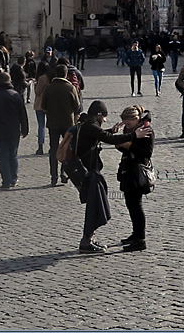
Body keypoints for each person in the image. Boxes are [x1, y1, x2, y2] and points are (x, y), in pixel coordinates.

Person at [73, 101, 115, 253]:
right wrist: (133, 135)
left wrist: (111, 130)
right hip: (90, 174)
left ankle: (88, 238)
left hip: (89, 173)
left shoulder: (87, 125)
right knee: (94, 208)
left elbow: (99, 136)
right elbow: (108, 139)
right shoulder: (90, 127)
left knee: (96, 205)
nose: (104, 120)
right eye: (103, 116)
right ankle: (86, 241)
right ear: (97, 115)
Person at [112, 105, 155, 251]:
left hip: (137, 172)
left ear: (136, 119)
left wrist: (129, 145)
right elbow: (124, 147)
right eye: (124, 122)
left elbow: (147, 153)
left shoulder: (146, 130)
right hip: (127, 169)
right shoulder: (129, 130)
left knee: (136, 205)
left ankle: (140, 239)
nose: (125, 125)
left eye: (128, 122)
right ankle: (136, 234)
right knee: (130, 204)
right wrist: (119, 142)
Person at [43, 61, 82, 186]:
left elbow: (43, 106)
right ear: (66, 75)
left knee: (54, 149)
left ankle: (53, 176)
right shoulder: (70, 87)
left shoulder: (49, 87)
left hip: (53, 122)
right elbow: (77, 105)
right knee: (66, 149)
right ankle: (64, 173)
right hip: (67, 123)